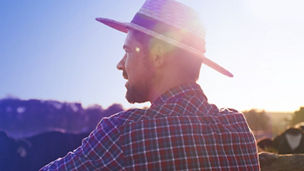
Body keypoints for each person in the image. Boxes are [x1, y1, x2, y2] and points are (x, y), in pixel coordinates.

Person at [41, 0, 260, 170]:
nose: (120, 64)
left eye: (127, 51)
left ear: (157, 56)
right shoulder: (236, 126)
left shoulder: (124, 134)